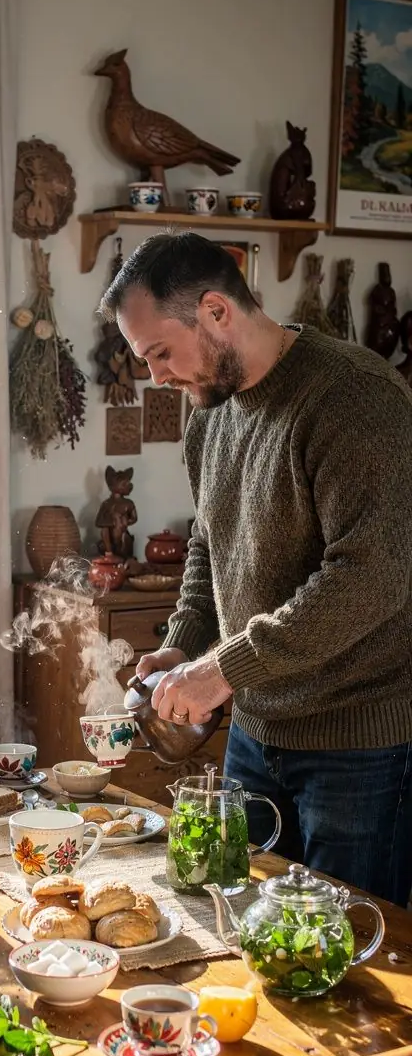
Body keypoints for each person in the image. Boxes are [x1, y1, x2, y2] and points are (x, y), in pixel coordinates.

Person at [101, 231, 412, 906]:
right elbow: (210, 544)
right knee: (243, 924)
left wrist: (220, 670)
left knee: (353, 956)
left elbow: (371, 578)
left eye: (159, 352)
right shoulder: (208, 417)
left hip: (358, 746)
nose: (157, 375)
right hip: (255, 733)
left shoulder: (357, 398)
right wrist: (183, 640)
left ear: (216, 311)